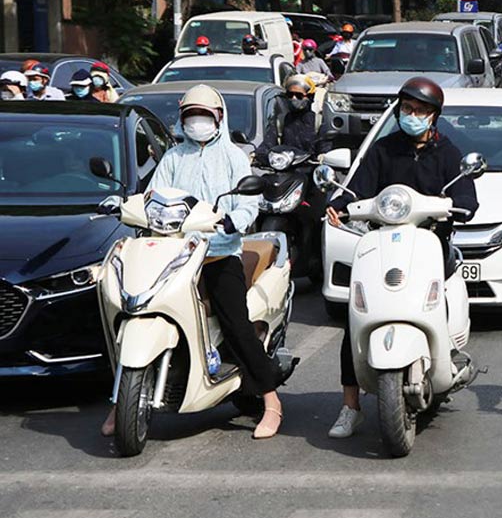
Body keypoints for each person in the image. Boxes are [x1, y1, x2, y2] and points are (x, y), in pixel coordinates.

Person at [101, 84, 287, 440]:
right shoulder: (173, 158)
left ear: (218, 117)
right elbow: (152, 196)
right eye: (191, 116)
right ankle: (120, 400)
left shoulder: (233, 157)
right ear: (182, 120)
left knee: (235, 322)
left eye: (204, 116)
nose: (197, 122)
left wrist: (235, 220)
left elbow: (248, 202)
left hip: (217, 252)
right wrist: (128, 208)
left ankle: (271, 400)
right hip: (172, 252)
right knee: (130, 307)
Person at [325, 77, 478, 438]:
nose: (412, 115)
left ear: (434, 116)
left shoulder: (448, 153)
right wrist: (339, 205)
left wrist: (459, 208)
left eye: (420, 110)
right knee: (356, 313)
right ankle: (350, 405)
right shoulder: (384, 149)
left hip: (429, 243)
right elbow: (358, 187)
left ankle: (445, 359)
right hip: (384, 242)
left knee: (432, 301)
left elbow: (466, 198)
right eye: (407, 109)